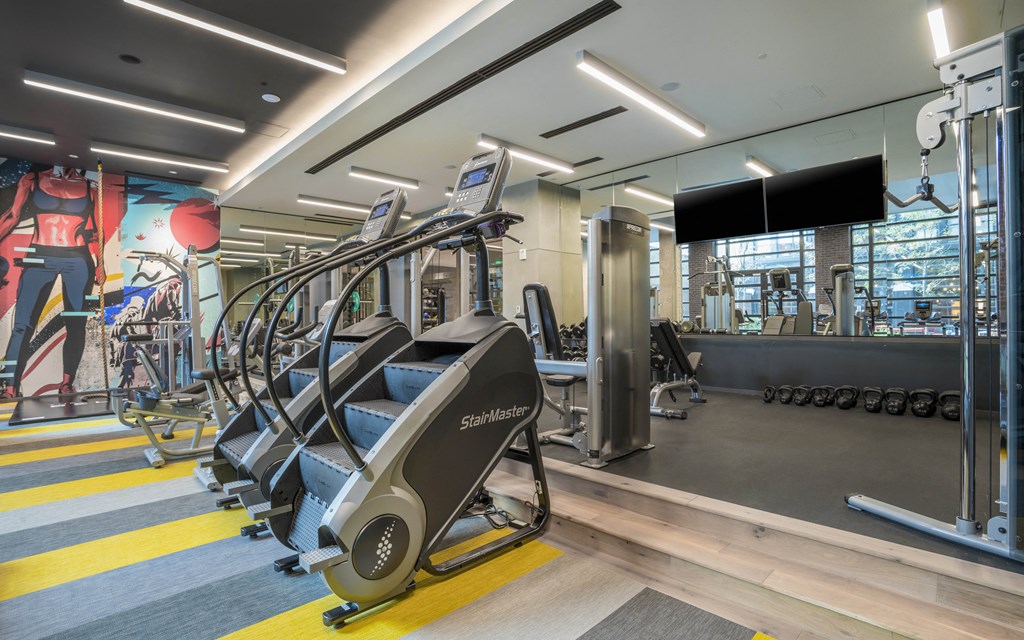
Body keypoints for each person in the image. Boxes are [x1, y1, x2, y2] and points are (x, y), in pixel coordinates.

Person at [0, 166, 106, 398]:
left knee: (76, 324)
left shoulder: (90, 187)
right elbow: (12, 216)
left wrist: (101, 264)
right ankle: (10, 388)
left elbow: (98, 232)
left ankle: (67, 384)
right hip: (39, 257)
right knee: (22, 324)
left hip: (77, 260)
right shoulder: (33, 180)